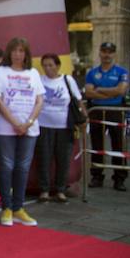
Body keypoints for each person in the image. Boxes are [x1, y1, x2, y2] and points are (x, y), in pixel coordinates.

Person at [0, 37, 44, 227]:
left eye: (21, 51)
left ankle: (19, 208)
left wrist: (28, 122)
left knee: (23, 167)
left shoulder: (33, 73)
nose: (17, 54)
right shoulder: (0, 72)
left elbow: (39, 100)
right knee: (6, 166)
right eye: (14, 51)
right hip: (5, 127)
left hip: (29, 128)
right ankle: (6, 207)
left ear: (26, 54)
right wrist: (14, 121)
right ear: (9, 53)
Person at [37, 53, 86, 202]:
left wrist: (84, 117)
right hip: (43, 125)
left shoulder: (67, 80)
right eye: (45, 65)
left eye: (50, 65)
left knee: (64, 158)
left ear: (58, 66)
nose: (48, 68)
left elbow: (78, 100)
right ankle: (44, 189)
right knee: (44, 158)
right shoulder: (39, 80)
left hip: (65, 126)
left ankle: (60, 189)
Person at [84, 42, 130, 191]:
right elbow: (89, 92)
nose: (107, 54)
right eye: (104, 51)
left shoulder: (122, 71)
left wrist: (99, 89)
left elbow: (121, 91)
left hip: (115, 109)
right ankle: (97, 176)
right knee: (97, 144)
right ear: (100, 52)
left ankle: (119, 178)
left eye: (110, 52)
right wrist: (112, 91)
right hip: (97, 109)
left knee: (118, 144)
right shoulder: (92, 73)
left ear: (114, 54)